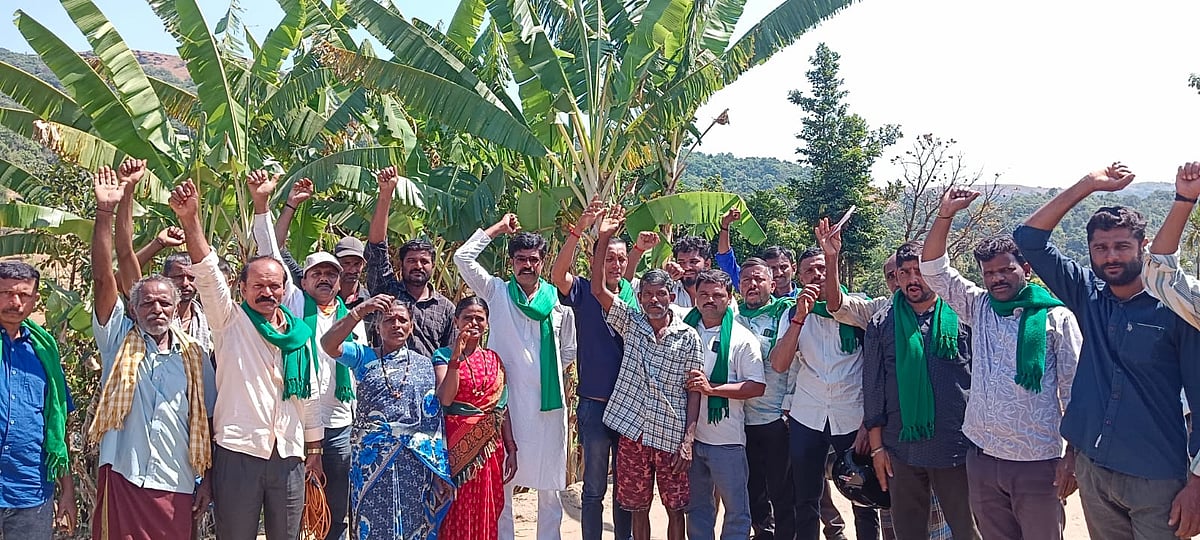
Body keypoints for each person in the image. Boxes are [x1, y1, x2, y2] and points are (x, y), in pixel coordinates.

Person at [1014, 163, 1200, 540]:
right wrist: (1088, 185)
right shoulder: (1088, 295)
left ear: (1143, 247)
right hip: (1096, 471)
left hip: (1157, 477)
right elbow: (1029, 238)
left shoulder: (1176, 310)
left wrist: (1197, 483)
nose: (1110, 256)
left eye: (1121, 246)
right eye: (1100, 248)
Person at [922, 187, 1083, 539]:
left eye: (1005, 270)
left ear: (1024, 268)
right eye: (989, 272)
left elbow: (1076, 392)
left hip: (1038, 463)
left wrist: (1073, 456)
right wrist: (945, 213)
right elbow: (933, 270)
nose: (997, 278)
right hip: (982, 458)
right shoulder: (979, 308)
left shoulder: (1056, 318)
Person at [169, 176, 322, 540]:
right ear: (242, 288)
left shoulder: (298, 333)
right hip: (239, 452)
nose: (267, 292)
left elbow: (309, 394)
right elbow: (207, 272)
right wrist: (191, 221)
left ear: (285, 289)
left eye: (274, 286)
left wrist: (313, 448)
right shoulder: (230, 321)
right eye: (258, 286)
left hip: (288, 454)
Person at [88, 162, 217, 539]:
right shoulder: (118, 341)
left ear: (177, 308)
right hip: (123, 473)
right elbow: (107, 273)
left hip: (175, 480)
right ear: (133, 308)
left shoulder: (194, 356)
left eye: (164, 304)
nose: (156, 310)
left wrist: (205, 481)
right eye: (147, 304)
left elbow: (206, 422)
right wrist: (107, 210)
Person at [251, 172, 367, 540]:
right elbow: (270, 251)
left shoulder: (353, 317)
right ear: (302, 281)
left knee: (335, 507)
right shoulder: (297, 305)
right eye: (317, 273)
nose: (325, 280)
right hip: (296, 423)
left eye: (331, 275)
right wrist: (273, 206)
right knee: (294, 508)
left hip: (340, 425)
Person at [453, 212, 576, 540]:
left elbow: (567, 352)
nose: (527, 265)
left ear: (542, 261)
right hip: (505, 407)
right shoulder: (496, 292)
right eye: (520, 259)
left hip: (548, 406)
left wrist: (538, 375)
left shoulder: (559, 306)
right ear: (511, 262)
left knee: (550, 484)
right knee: (504, 479)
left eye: (533, 259)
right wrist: (498, 229)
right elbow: (462, 257)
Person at [821, 242, 949, 540]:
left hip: (941, 433)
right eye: (894, 275)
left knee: (942, 515)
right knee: (898, 514)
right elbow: (836, 305)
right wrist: (832, 257)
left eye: (911, 272)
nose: (902, 280)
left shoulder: (949, 308)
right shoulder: (880, 311)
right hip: (894, 433)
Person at [591, 206, 702, 540]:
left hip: (671, 436)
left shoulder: (688, 335)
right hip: (634, 434)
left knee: (675, 508)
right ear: (638, 298)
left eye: (661, 294)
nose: (654, 300)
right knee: (637, 508)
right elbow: (598, 289)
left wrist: (688, 439)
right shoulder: (631, 322)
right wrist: (604, 238)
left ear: (671, 296)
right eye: (648, 295)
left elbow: (693, 389)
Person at [854, 240, 978, 540]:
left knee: (969, 529)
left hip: (957, 446)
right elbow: (873, 389)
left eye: (919, 271)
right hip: (900, 449)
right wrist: (878, 448)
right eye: (904, 272)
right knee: (908, 532)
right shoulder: (882, 322)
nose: (912, 279)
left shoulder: (964, 316)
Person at [769, 241, 879, 540]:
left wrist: (869, 421)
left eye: (822, 268)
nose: (816, 275)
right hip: (809, 414)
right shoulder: (792, 313)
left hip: (852, 414)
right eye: (809, 271)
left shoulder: (859, 310)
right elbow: (779, 364)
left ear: (833, 270)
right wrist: (800, 316)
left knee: (863, 494)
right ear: (799, 277)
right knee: (806, 496)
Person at [320, 294, 454, 538]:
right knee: (371, 522)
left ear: (411, 327)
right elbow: (328, 344)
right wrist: (360, 310)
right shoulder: (364, 357)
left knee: (414, 522)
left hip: (413, 463)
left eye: (402, 320)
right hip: (370, 462)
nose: (396, 325)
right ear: (378, 328)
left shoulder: (424, 365)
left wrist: (437, 470)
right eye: (389, 320)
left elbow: (431, 421)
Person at [549, 199, 633, 540]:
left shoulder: (634, 296)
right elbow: (557, 275)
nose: (615, 264)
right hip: (595, 404)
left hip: (630, 406)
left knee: (627, 489)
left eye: (621, 259)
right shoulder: (583, 289)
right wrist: (582, 231)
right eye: (609, 257)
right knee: (594, 487)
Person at [682, 269, 766, 540]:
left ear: (729, 297)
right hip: (689, 439)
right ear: (695, 296)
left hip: (727, 440)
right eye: (703, 294)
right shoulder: (683, 329)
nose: (709, 300)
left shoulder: (742, 339)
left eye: (717, 295)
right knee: (697, 508)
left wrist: (712, 388)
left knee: (736, 511)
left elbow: (757, 386)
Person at [0, 261, 77, 539]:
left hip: (31, 490)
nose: (15, 302)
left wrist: (67, 490)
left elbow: (56, 423)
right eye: (7, 293)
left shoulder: (44, 350)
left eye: (24, 295)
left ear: (35, 300)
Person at [434, 296, 518, 540]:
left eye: (479, 318)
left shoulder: (494, 359)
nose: (473, 323)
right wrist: (455, 360)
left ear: (487, 324)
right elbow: (446, 399)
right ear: (456, 321)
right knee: (456, 508)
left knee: (487, 509)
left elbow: (502, 407)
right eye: (467, 318)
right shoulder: (443, 355)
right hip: (456, 448)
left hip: (490, 450)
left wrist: (511, 447)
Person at [736, 258, 802, 540]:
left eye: (758, 279)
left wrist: (789, 403)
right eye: (746, 280)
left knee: (782, 489)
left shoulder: (785, 314)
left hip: (776, 418)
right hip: (741, 419)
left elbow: (796, 361)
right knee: (754, 489)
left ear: (772, 285)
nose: (752, 284)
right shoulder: (732, 317)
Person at [367, 166, 454, 357]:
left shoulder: (446, 308)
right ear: (402, 265)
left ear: (433, 266)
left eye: (424, 261)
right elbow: (376, 250)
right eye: (411, 261)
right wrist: (385, 194)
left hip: (430, 382)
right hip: (387, 379)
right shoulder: (387, 293)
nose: (418, 266)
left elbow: (451, 354)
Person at [716, 207, 799, 298]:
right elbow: (725, 259)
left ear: (794, 268)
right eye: (772, 268)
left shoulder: (806, 297)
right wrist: (725, 225)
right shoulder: (754, 292)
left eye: (783, 267)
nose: (778, 273)